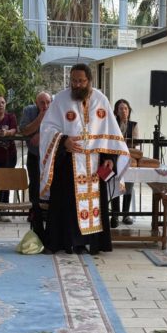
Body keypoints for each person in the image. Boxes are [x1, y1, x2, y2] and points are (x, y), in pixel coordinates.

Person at [39, 63, 130, 255]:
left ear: (89, 81)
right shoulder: (60, 100)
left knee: (95, 204)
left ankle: (91, 243)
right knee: (68, 204)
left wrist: (109, 158)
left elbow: (110, 133)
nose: (77, 85)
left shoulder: (101, 100)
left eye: (81, 81)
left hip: (95, 164)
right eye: (74, 81)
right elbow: (47, 128)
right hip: (68, 162)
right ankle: (68, 242)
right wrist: (63, 141)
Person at [19, 92, 52, 215]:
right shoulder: (29, 111)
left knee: (50, 184)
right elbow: (24, 131)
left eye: (48, 102)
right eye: (42, 103)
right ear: (36, 103)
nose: (46, 105)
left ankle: (48, 213)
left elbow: (60, 129)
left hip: (50, 155)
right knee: (34, 184)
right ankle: (34, 214)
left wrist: (41, 135)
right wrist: (40, 117)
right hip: (34, 154)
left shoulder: (55, 110)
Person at [111, 98, 139, 227]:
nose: (124, 111)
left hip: (128, 160)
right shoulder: (112, 124)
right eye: (121, 108)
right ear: (116, 111)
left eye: (126, 108)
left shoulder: (133, 125)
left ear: (129, 110)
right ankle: (115, 215)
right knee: (115, 185)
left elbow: (135, 142)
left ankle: (126, 214)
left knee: (128, 185)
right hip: (114, 160)